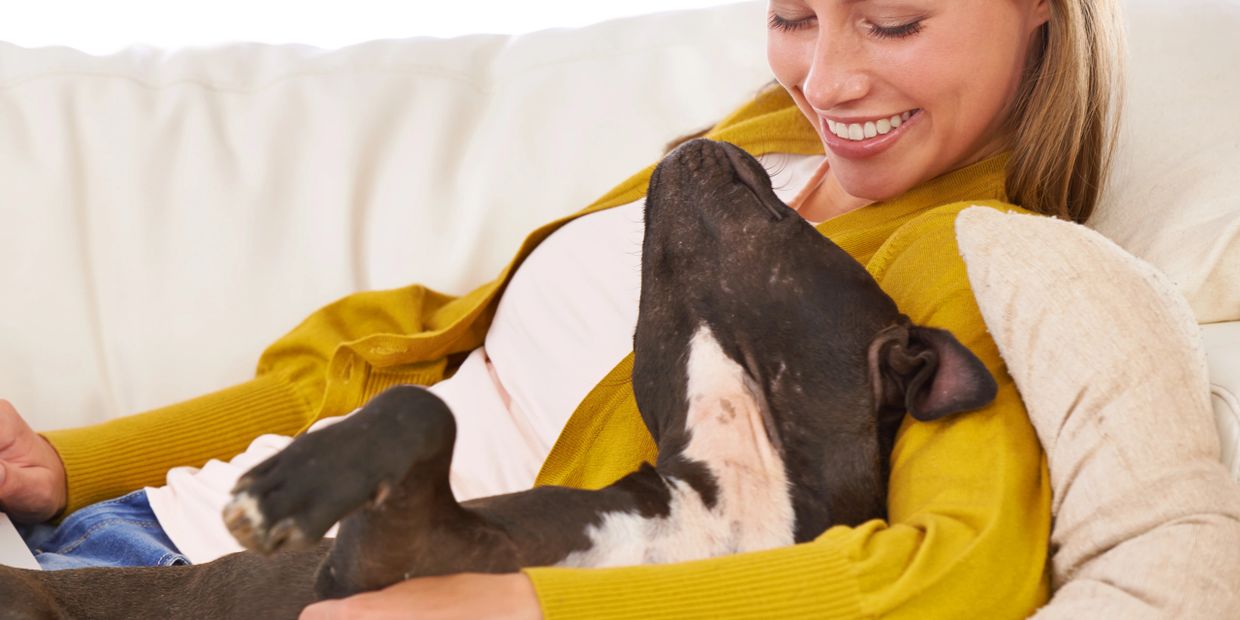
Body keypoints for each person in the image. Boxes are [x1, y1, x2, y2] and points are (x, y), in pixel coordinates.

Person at [0, 0, 1124, 616]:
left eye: (892, 21)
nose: (825, 79)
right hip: (123, 526)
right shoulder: (765, 140)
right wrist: (70, 462)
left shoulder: (974, 259)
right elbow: (425, 350)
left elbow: (958, 567)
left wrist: (523, 606)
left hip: (295, 593)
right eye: (794, 14)